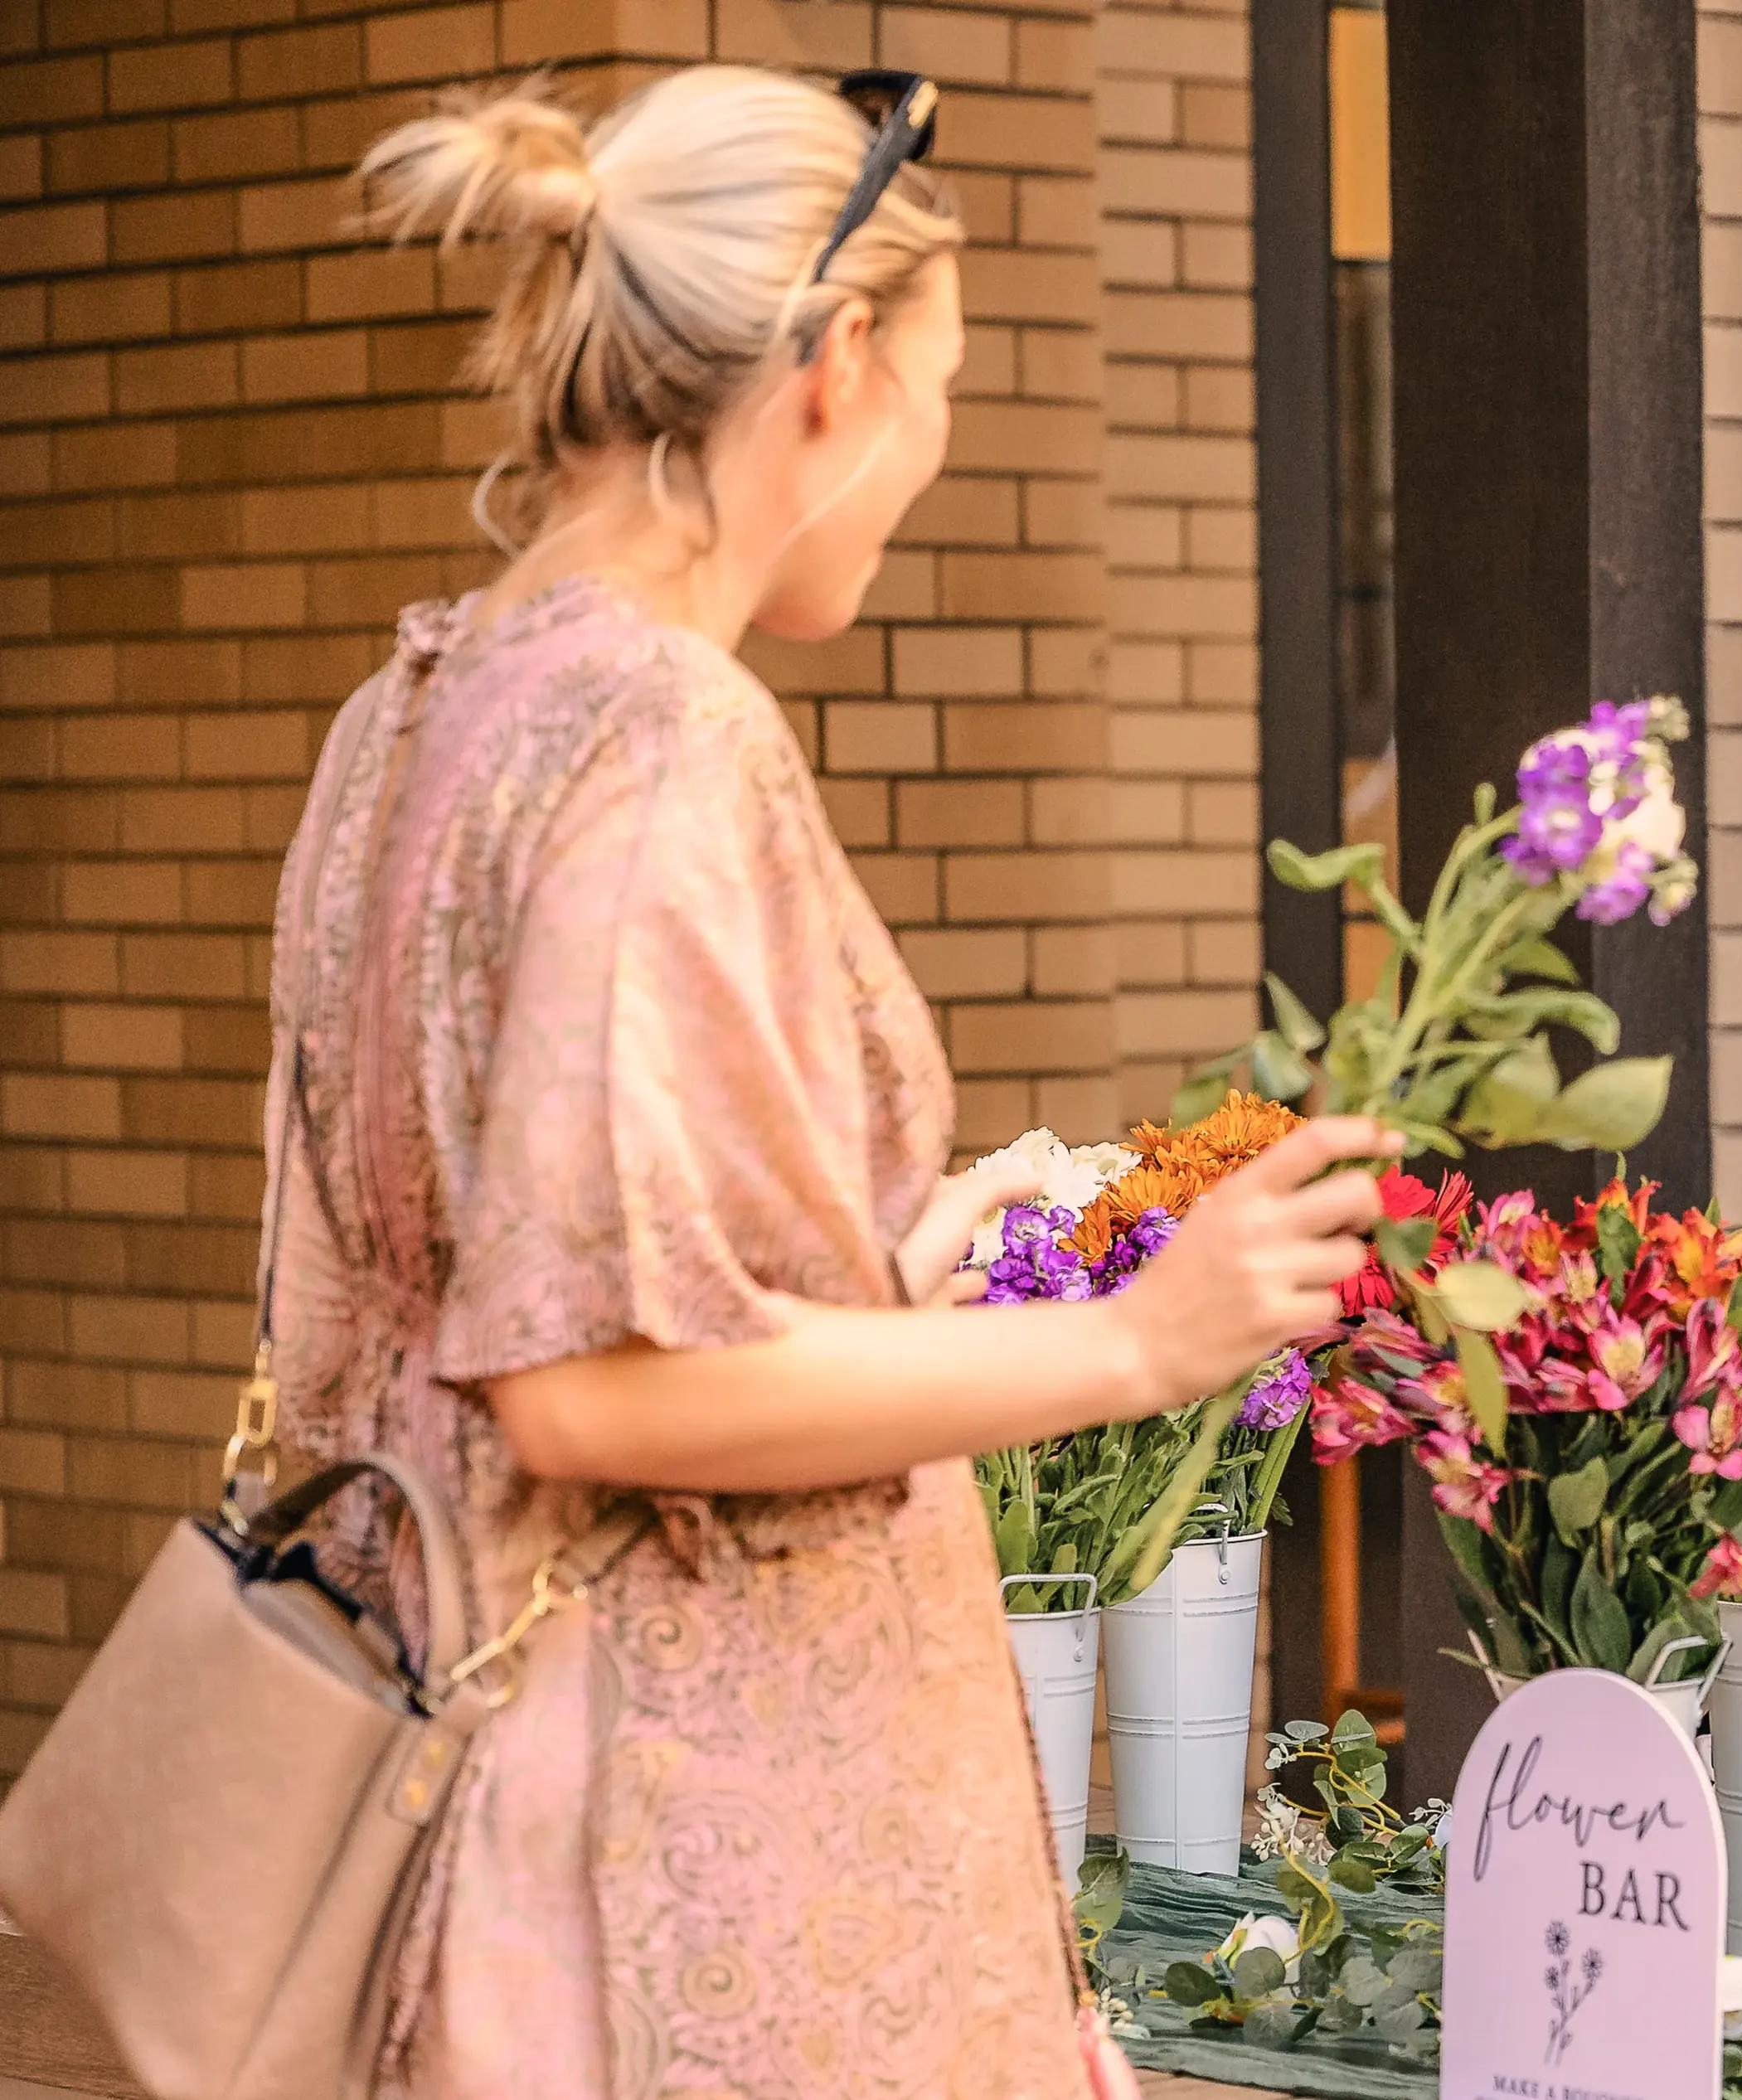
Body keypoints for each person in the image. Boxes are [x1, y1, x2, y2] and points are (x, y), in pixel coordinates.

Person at [269, 67, 1391, 2096]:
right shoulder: (657, 734)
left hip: (445, 1777)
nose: (931, 455)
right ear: (842, 362)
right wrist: (1146, 1339)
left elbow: (475, 1287)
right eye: (943, 385)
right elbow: (591, 1385)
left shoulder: (411, 710)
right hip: (678, 1852)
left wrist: (872, 1268)